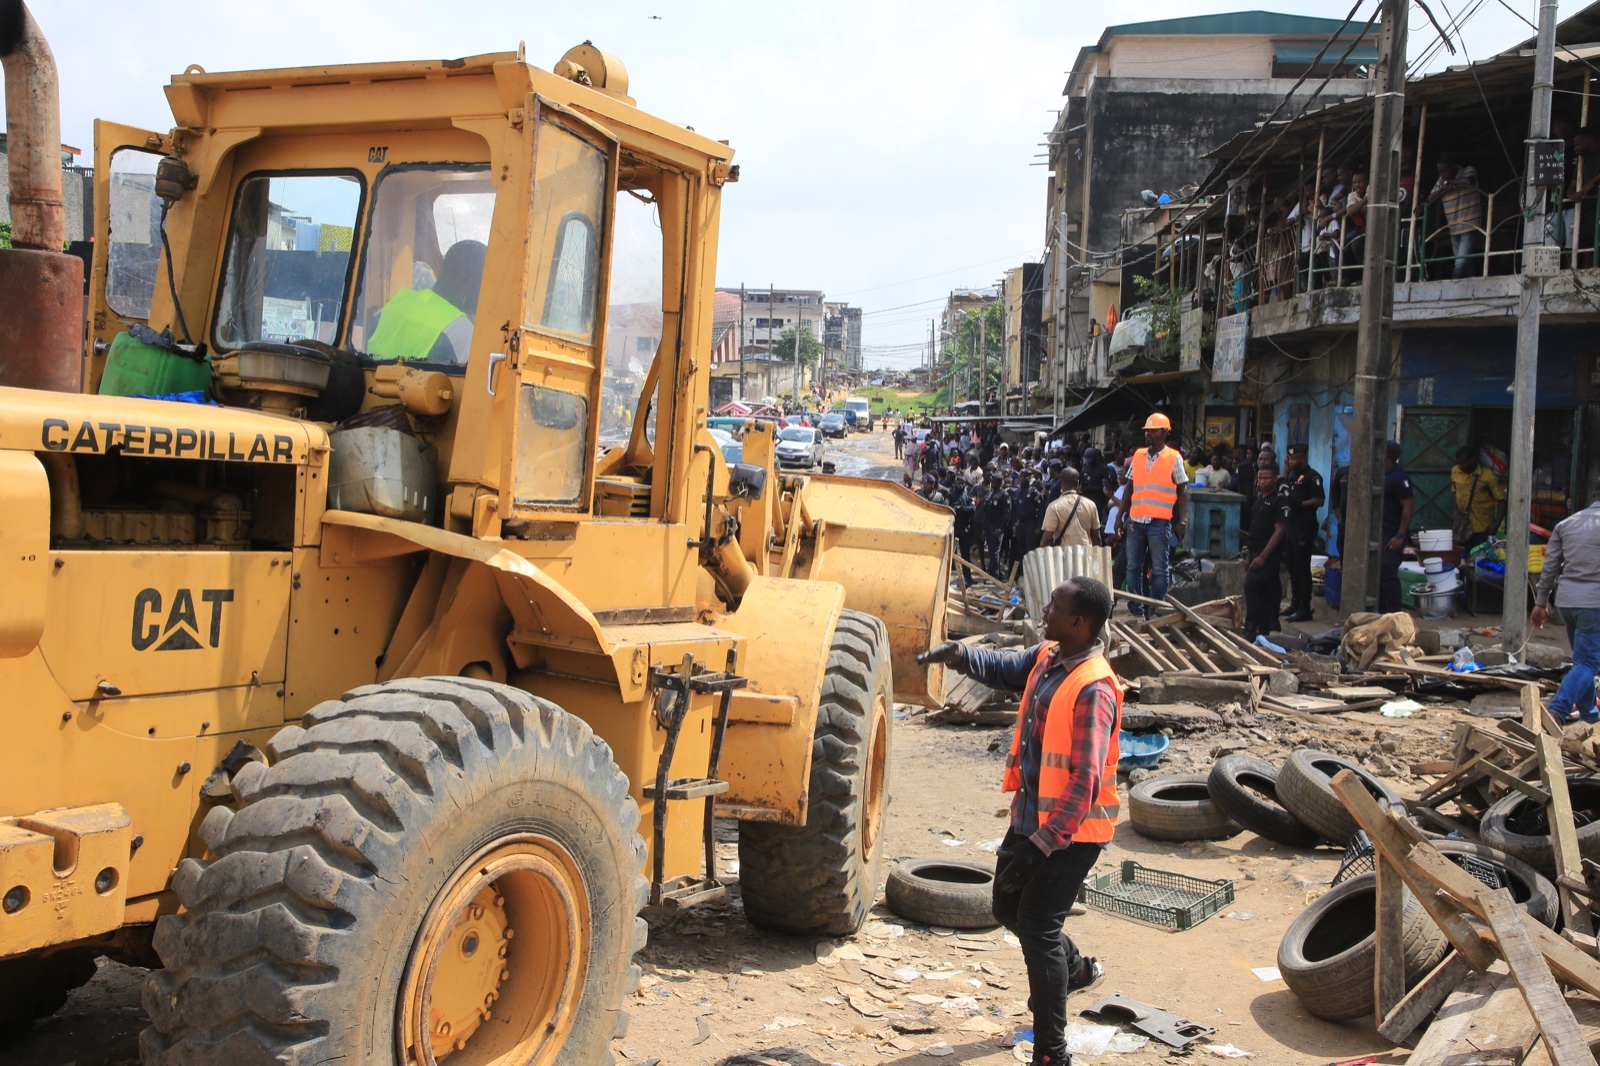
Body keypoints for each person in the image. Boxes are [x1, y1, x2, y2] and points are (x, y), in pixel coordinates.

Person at [916, 577, 1119, 1066]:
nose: (1045, 610)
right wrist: (958, 655)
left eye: (1055, 606)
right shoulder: (1049, 655)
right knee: (1007, 907)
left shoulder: (1095, 688)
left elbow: (1087, 779)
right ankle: (1075, 969)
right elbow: (1005, 668)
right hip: (1033, 817)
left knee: (1038, 928)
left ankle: (1051, 1053)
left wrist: (1043, 844)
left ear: (1080, 622)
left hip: (1071, 833)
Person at [1532, 472, 1600, 722]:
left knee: (1582, 661)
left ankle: (1590, 714)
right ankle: (1557, 710)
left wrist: (1540, 603)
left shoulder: (1567, 524)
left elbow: (1550, 567)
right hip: (1594, 603)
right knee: (1588, 663)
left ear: (1593, 494)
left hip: (1567, 602)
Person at [366, 240, 488, 363]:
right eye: (483, 280)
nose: (486, 290)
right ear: (465, 279)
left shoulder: (387, 310)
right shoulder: (462, 331)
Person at [1117, 414, 1188, 616]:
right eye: (1147, 431)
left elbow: (1183, 490)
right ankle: (1136, 609)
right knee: (1133, 567)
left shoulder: (1173, 457)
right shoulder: (1139, 455)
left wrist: (1183, 521)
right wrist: (1119, 516)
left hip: (1159, 522)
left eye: (1153, 430)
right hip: (1136, 521)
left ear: (1164, 433)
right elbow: (1129, 488)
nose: (1148, 434)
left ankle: (1156, 608)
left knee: (1159, 568)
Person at [1244, 463, 1294, 640]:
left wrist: (1263, 557)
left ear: (1274, 479)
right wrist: (1249, 556)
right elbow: (1255, 529)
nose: (1263, 481)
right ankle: (1264, 628)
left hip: (1268, 553)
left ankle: (1250, 628)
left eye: (1266, 478)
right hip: (1255, 551)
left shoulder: (1279, 501)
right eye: (1260, 478)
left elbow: (1279, 531)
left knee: (1251, 585)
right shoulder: (1259, 500)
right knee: (1267, 590)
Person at [1281, 443, 1326, 622]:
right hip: (1291, 525)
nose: (1290, 462)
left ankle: (1304, 608)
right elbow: (1283, 490)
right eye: (1289, 459)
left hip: (1304, 525)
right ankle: (1295, 603)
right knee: (1292, 565)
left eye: (1292, 459)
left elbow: (1319, 500)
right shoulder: (1293, 476)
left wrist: (1300, 505)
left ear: (1302, 458)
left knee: (1301, 566)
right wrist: (1286, 471)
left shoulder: (1312, 476)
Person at [1428, 154, 1484, 279]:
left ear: (1453, 167)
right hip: (1453, 226)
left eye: (1445, 171)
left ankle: (1453, 282)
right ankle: (1471, 283)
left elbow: (1469, 181)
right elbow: (1430, 199)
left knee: (1460, 263)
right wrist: (1443, 188)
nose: (1442, 175)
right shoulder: (1442, 180)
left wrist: (1450, 182)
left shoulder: (1468, 170)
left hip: (1469, 224)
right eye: (1440, 172)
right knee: (1466, 261)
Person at [1380, 441, 1415, 612]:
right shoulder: (1381, 475)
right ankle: (1380, 611)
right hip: (1380, 533)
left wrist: (1400, 535)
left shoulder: (1399, 477)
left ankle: (1394, 613)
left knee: (1388, 573)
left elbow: (1408, 507)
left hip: (1392, 534)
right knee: (1378, 574)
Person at [1452, 446, 1505, 550]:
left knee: (1478, 554)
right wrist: (1456, 512)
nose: (1460, 466)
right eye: (1458, 463)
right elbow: (1454, 491)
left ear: (1472, 460)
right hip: (1462, 525)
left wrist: (1496, 524)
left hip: (1482, 526)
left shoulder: (1487, 476)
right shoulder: (1455, 471)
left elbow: (1502, 499)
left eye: (1463, 463)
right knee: (1461, 554)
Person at [1041, 467, 1100, 549]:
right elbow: (1096, 537)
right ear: (1077, 484)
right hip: (1086, 554)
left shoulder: (1054, 507)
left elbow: (1047, 539)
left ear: (1060, 483)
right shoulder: (1091, 504)